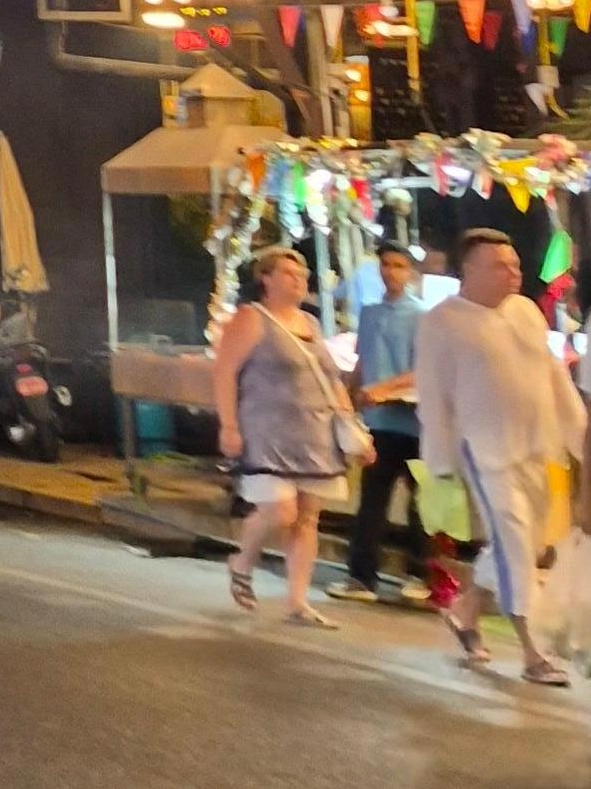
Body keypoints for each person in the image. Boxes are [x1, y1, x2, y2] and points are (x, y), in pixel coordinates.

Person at [416, 225, 586, 685]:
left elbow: (554, 377)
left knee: (528, 543)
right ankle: (534, 653)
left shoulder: (527, 312)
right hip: (485, 452)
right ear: (469, 270)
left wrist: (580, 437)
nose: (512, 273)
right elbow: (433, 398)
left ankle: (465, 610)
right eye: (499, 266)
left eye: (514, 265)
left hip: (538, 448)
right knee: (514, 542)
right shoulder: (441, 322)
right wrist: (440, 464)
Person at [212, 246, 361, 628]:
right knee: (281, 510)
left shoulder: (309, 323)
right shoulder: (251, 318)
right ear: (266, 278)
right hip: (267, 435)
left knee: (307, 518)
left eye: (302, 274)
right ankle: (242, 561)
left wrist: (353, 427)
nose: (299, 280)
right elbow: (225, 372)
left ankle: (298, 601)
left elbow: (330, 379)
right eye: (289, 273)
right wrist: (228, 424)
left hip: (314, 436)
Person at [340, 241, 426, 602]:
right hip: (378, 423)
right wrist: (349, 399)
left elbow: (423, 370)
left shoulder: (421, 316)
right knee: (372, 501)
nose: (391, 272)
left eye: (398, 266)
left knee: (421, 503)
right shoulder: (370, 313)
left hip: (414, 422)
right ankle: (362, 578)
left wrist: (382, 389)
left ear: (410, 273)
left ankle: (421, 575)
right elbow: (363, 362)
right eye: (386, 265)